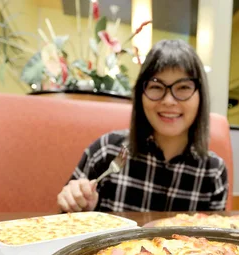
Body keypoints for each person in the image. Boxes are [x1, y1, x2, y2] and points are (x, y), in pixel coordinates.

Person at [56, 39, 228, 213]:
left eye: (183, 87)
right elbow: (65, 225)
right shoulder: (106, 151)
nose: (169, 100)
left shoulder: (213, 172)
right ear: (140, 94)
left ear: (201, 96)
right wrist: (77, 204)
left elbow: (213, 238)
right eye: (156, 86)